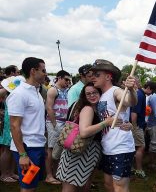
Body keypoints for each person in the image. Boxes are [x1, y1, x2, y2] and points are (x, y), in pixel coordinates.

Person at [56, 82, 117, 192]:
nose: (91, 96)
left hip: (87, 152)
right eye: (88, 94)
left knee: (83, 185)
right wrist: (105, 123)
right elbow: (84, 132)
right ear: (84, 96)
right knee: (70, 186)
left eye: (94, 92)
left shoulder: (97, 108)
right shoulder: (88, 108)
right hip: (79, 151)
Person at [91, 59, 137, 192]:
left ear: (108, 76)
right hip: (107, 147)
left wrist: (132, 90)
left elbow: (129, 101)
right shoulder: (101, 94)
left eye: (97, 74)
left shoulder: (115, 91)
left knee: (120, 187)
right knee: (108, 185)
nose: (93, 77)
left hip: (121, 148)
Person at [7, 57, 47, 191]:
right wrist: (23, 154)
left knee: (32, 186)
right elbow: (14, 125)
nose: (45, 73)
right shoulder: (19, 94)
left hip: (38, 146)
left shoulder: (37, 92)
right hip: (27, 149)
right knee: (28, 187)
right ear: (32, 71)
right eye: (43, 70)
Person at [45, 70, 71, 185]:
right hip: (54, 123)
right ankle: (49, 175)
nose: (67, 82)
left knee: (59, 149)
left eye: (69, 80)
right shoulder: (52, 90)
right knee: (51, 149)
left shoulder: (66, 90)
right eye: (66, 79)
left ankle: (56, 173)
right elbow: (49, 108)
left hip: (64, 123)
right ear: (59, 78)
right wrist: (54, 124)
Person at [130, 78, 146, 179]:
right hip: (136, 125)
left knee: (133, 147)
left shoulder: (138, 93)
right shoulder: (138, 94)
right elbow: (134, 113)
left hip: (135, 124)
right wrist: (134, 127)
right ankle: (139, 170)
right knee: (140, 147)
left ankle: (131, 168)